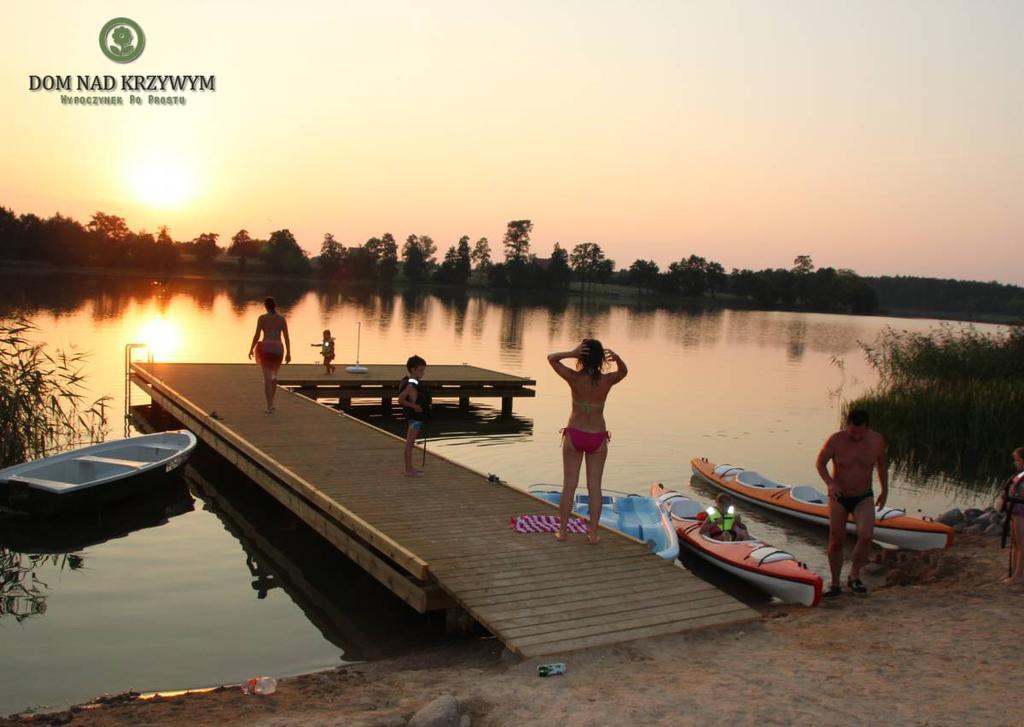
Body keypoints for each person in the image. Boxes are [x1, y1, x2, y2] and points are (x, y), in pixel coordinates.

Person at [547, 339, 628, 544]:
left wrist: (571, 353)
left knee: (569, 486)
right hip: (597, 437)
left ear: (581, 358)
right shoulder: (607, 381)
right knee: (595, 488)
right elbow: (623, 372)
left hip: (575, 435)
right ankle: (593, 534)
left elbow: (552, 359)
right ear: (601, 359)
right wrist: (617, 359)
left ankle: (563, 532)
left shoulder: (573, 378)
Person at [815, 408, 888, 597]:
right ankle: (835, 583)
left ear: (867, 427)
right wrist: (830, 484)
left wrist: (884, 491)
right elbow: (820, 463)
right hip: (839, 496)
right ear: (847, 425)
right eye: (852, 432)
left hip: (863, 496)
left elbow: (882, 465)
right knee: (836, 540)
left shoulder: (876, 441)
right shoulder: (836, 440)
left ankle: (854, 576)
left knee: (866, 536)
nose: (856, 437)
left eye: (860, 433)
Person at [248, 297, 291, 413]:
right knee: (273, 377)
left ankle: (269, 406)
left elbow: (257, 335)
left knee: (267, 379)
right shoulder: (281, 319)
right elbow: (286, 337)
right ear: (275, 306)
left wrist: (251, 348)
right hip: (278, 348)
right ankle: (272, 402)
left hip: (266, 347)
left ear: (266, 306)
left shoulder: (262, 318)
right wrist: (288, 353)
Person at [996, 446, 1024, 584]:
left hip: (1021, 513)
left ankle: (1019, 576)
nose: (1015, 463)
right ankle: (1012, 573)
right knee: (1014, 544)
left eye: (1017, 460)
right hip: (1014, 512)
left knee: (1021, 545)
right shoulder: (1019, 475)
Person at [398, 355, 429, 477]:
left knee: (411, 444)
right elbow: (400, 400)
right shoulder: (410, 384)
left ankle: (410, 468)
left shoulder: (415, 382)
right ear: (413, 369)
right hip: (414, 419)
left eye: (423, 370)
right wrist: (414, 406)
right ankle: (408, 470)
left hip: (417, 419)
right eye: (421, 370)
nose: (423, 373)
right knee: (409, 444)